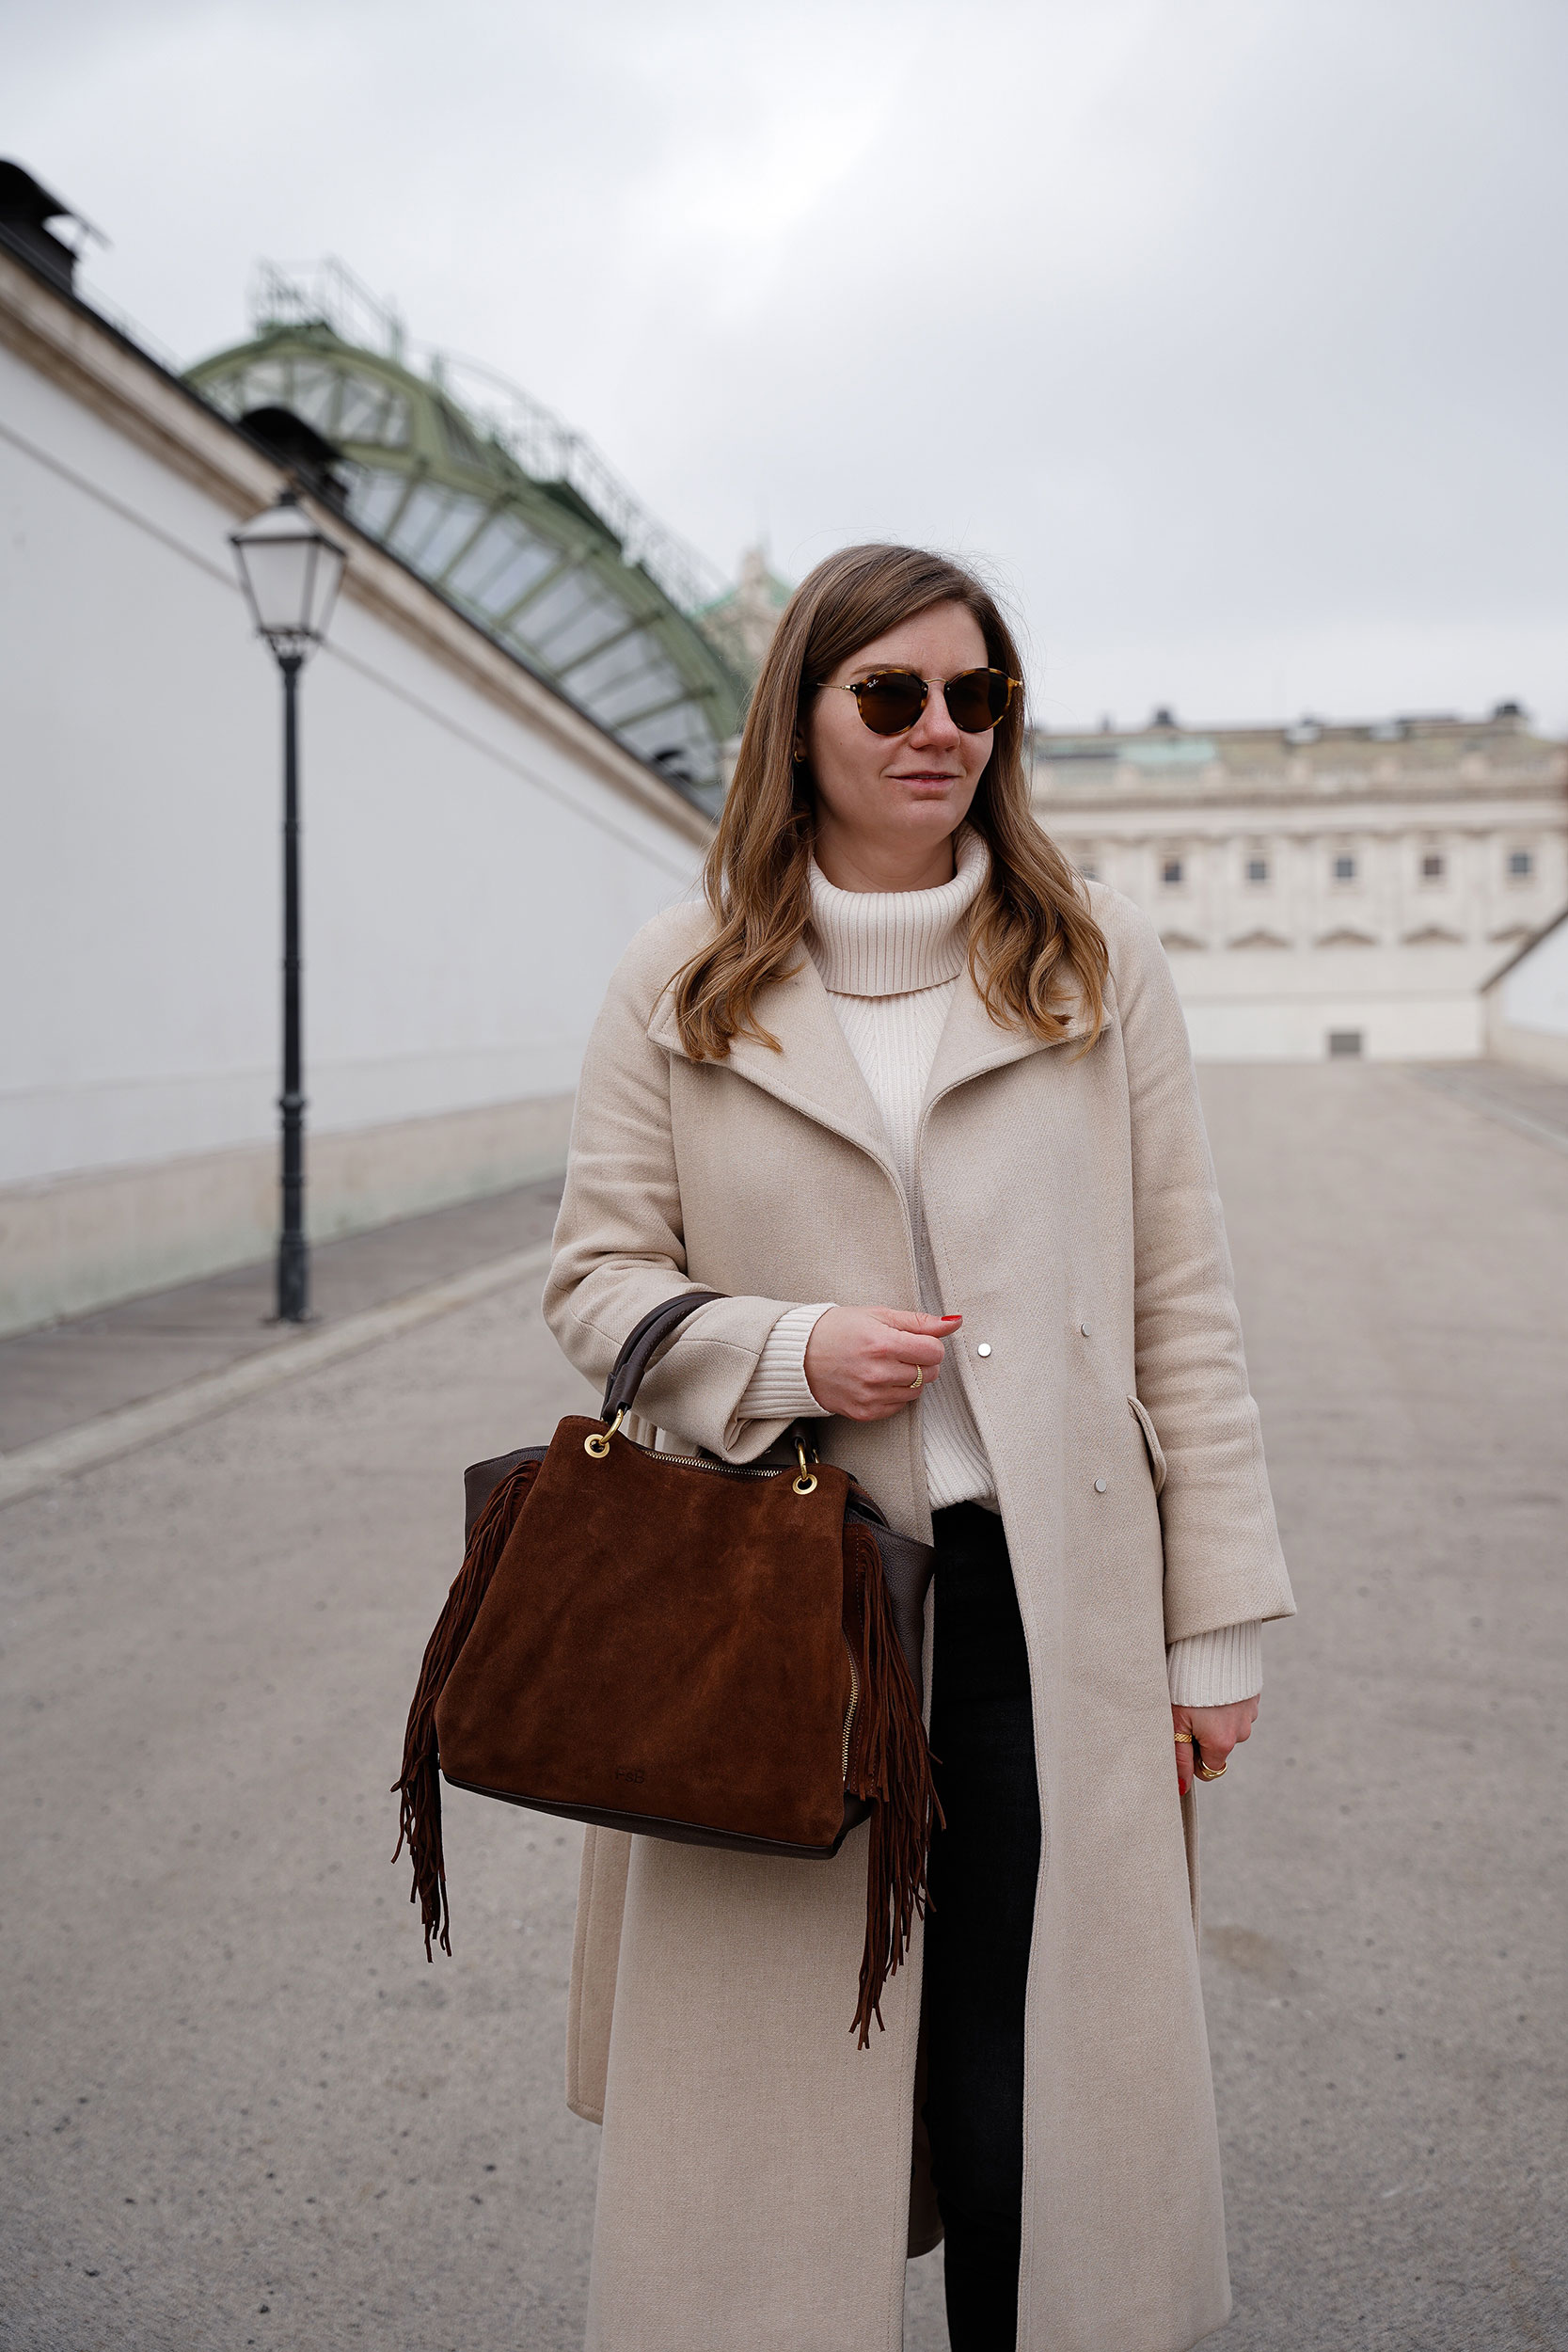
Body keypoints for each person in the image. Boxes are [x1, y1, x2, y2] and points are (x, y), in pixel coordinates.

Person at [543, 543, 1295, 2352]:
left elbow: (1183, 1297)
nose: (941, 729)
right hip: (786, 1599)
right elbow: (594, 1279)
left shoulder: (1092, 961)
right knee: (779, 2103)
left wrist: (1214, 1627)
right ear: (801, 722)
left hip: (1053, 1605)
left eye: (978, 696)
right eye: (892, 695)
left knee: (1031, 2084)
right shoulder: (687, 975)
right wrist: (795, 1348)